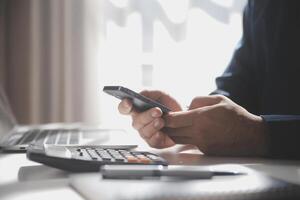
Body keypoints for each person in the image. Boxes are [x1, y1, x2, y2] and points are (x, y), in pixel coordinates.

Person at [118, 0, 300, 159]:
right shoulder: (263, 4)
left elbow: (247, 128)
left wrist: (260, 134)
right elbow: (239, 88)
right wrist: (189, 120)